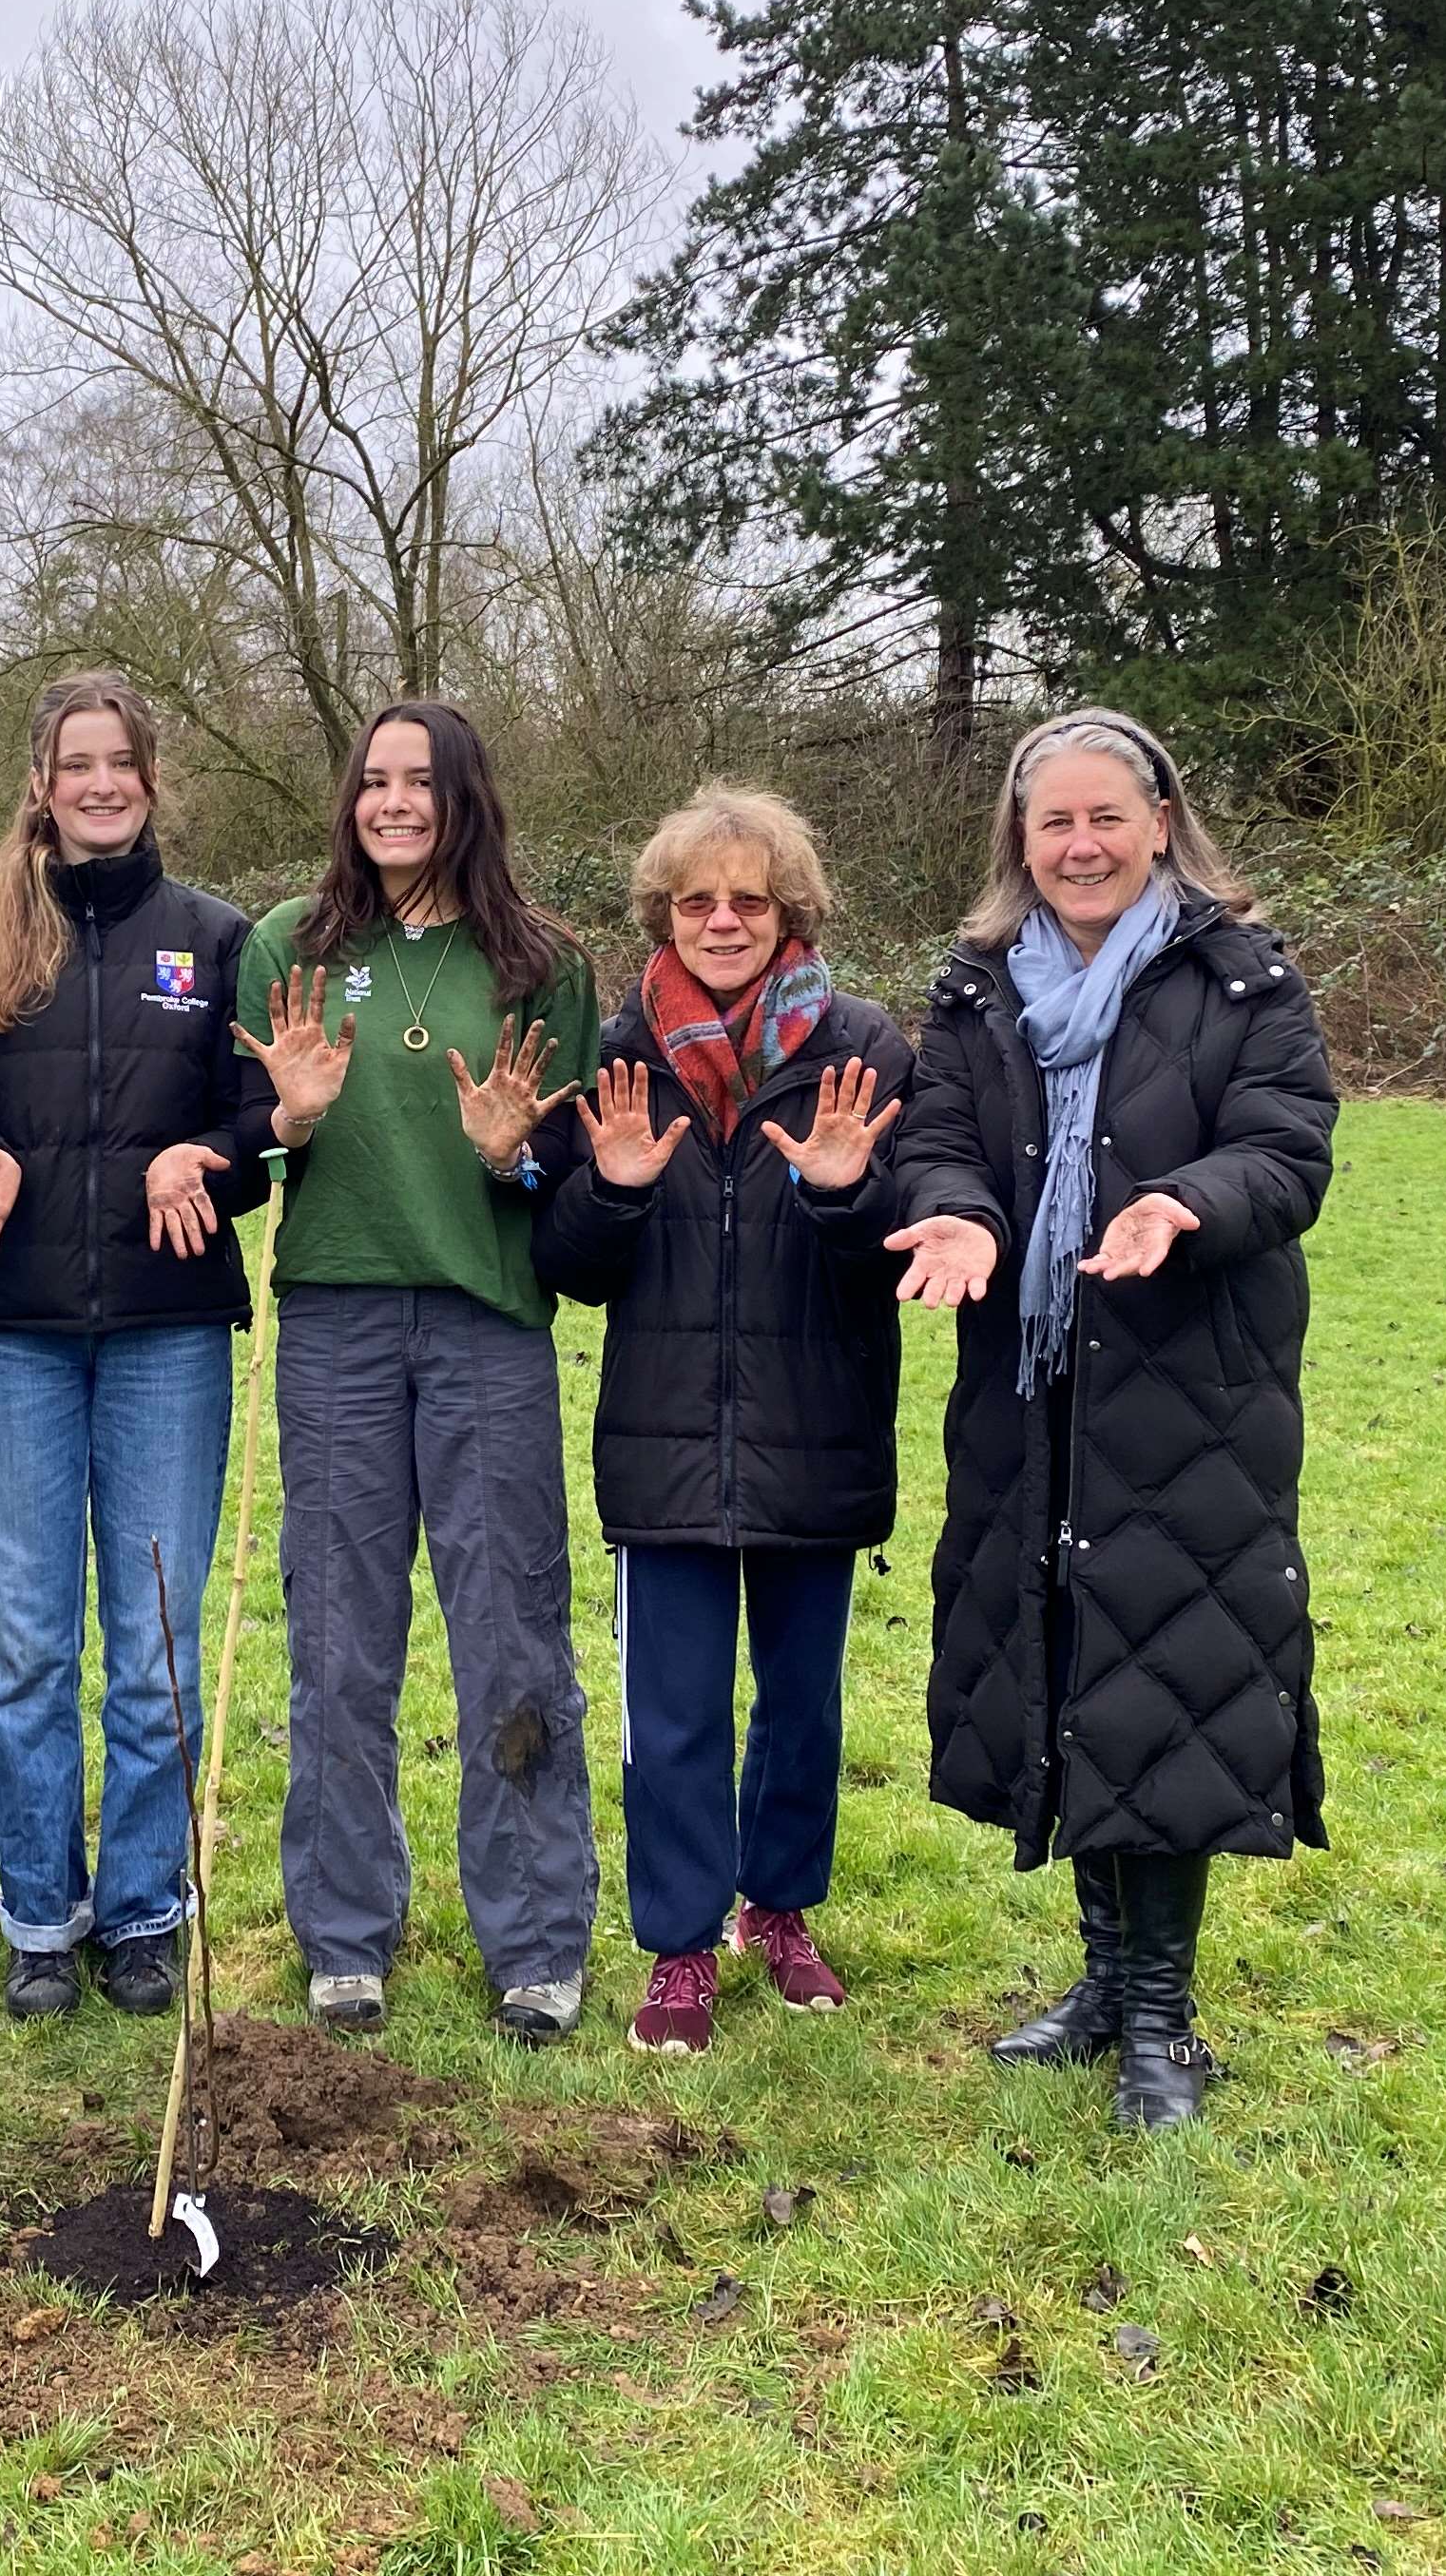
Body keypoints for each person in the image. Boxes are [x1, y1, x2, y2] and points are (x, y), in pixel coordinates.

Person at [883, 708, 1336, 2130]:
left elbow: (1286, 1148)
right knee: (1063, 1667)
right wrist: (953, 1217)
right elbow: (941, 1140)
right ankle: (1099, 1978)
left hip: (1190, 1379)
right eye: (1052, 822)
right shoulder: (976, 994)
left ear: (1158, 823)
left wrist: (1182, 1204)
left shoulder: (1244, 982)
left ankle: (1163, 2019)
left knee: (1171, 1671)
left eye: (1105, 819)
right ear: (1020, 840)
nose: (1080, 846)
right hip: (1030, 1382)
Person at [233, 700, 602, 2043]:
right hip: (331, 1321)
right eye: (373, 782)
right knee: (337, 1639)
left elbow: (568, 1169)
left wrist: (514, 1152)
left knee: (510, 1628)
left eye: (419, 783)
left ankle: (538, 1941)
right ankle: (345, 1935)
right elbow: (239, 1138)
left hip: (484, 1322)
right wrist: (289, 1117)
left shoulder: (542, 963)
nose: (393, 803)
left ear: (465, 799)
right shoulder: (289, 947)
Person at [0, 672, 276, 2023]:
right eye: (79, 764)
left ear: (151, 777)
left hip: (171, 1336)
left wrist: (218, 1157)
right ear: (43, 784)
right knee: (21, 1643)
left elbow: (264, 1116)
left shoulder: (217, 938)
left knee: (155, 1639)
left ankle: (139, 1910)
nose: (102, 784)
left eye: (122, 762)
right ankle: (39, 1915)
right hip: (11, 1335)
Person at [530, 787, 913, 2058]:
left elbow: (892, 1253)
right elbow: (570, 1264)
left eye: (750, 900)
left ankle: (783, 1910)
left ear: (789, 910)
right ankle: (682, 1946)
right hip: (667, 1438)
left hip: (821, 1426)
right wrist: (617, 1193)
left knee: (800, 1705)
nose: (724, 920)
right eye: (698, 901)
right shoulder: (616, 1054)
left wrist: (852, 1195)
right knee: (676, 1713)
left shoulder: (864, 1050)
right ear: (665, 914)